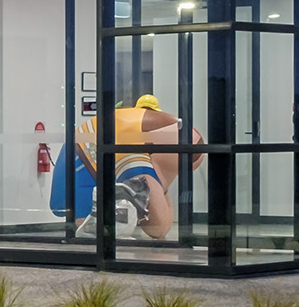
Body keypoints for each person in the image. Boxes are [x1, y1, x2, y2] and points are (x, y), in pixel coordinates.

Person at [50, 93, 203, 240]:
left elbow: (159, 224)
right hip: (84, 157)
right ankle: (88, 223)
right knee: (84, 203)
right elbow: (157, 228)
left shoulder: (133, 130)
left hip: (90, 153)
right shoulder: (134, 141)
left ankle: (91, 223)